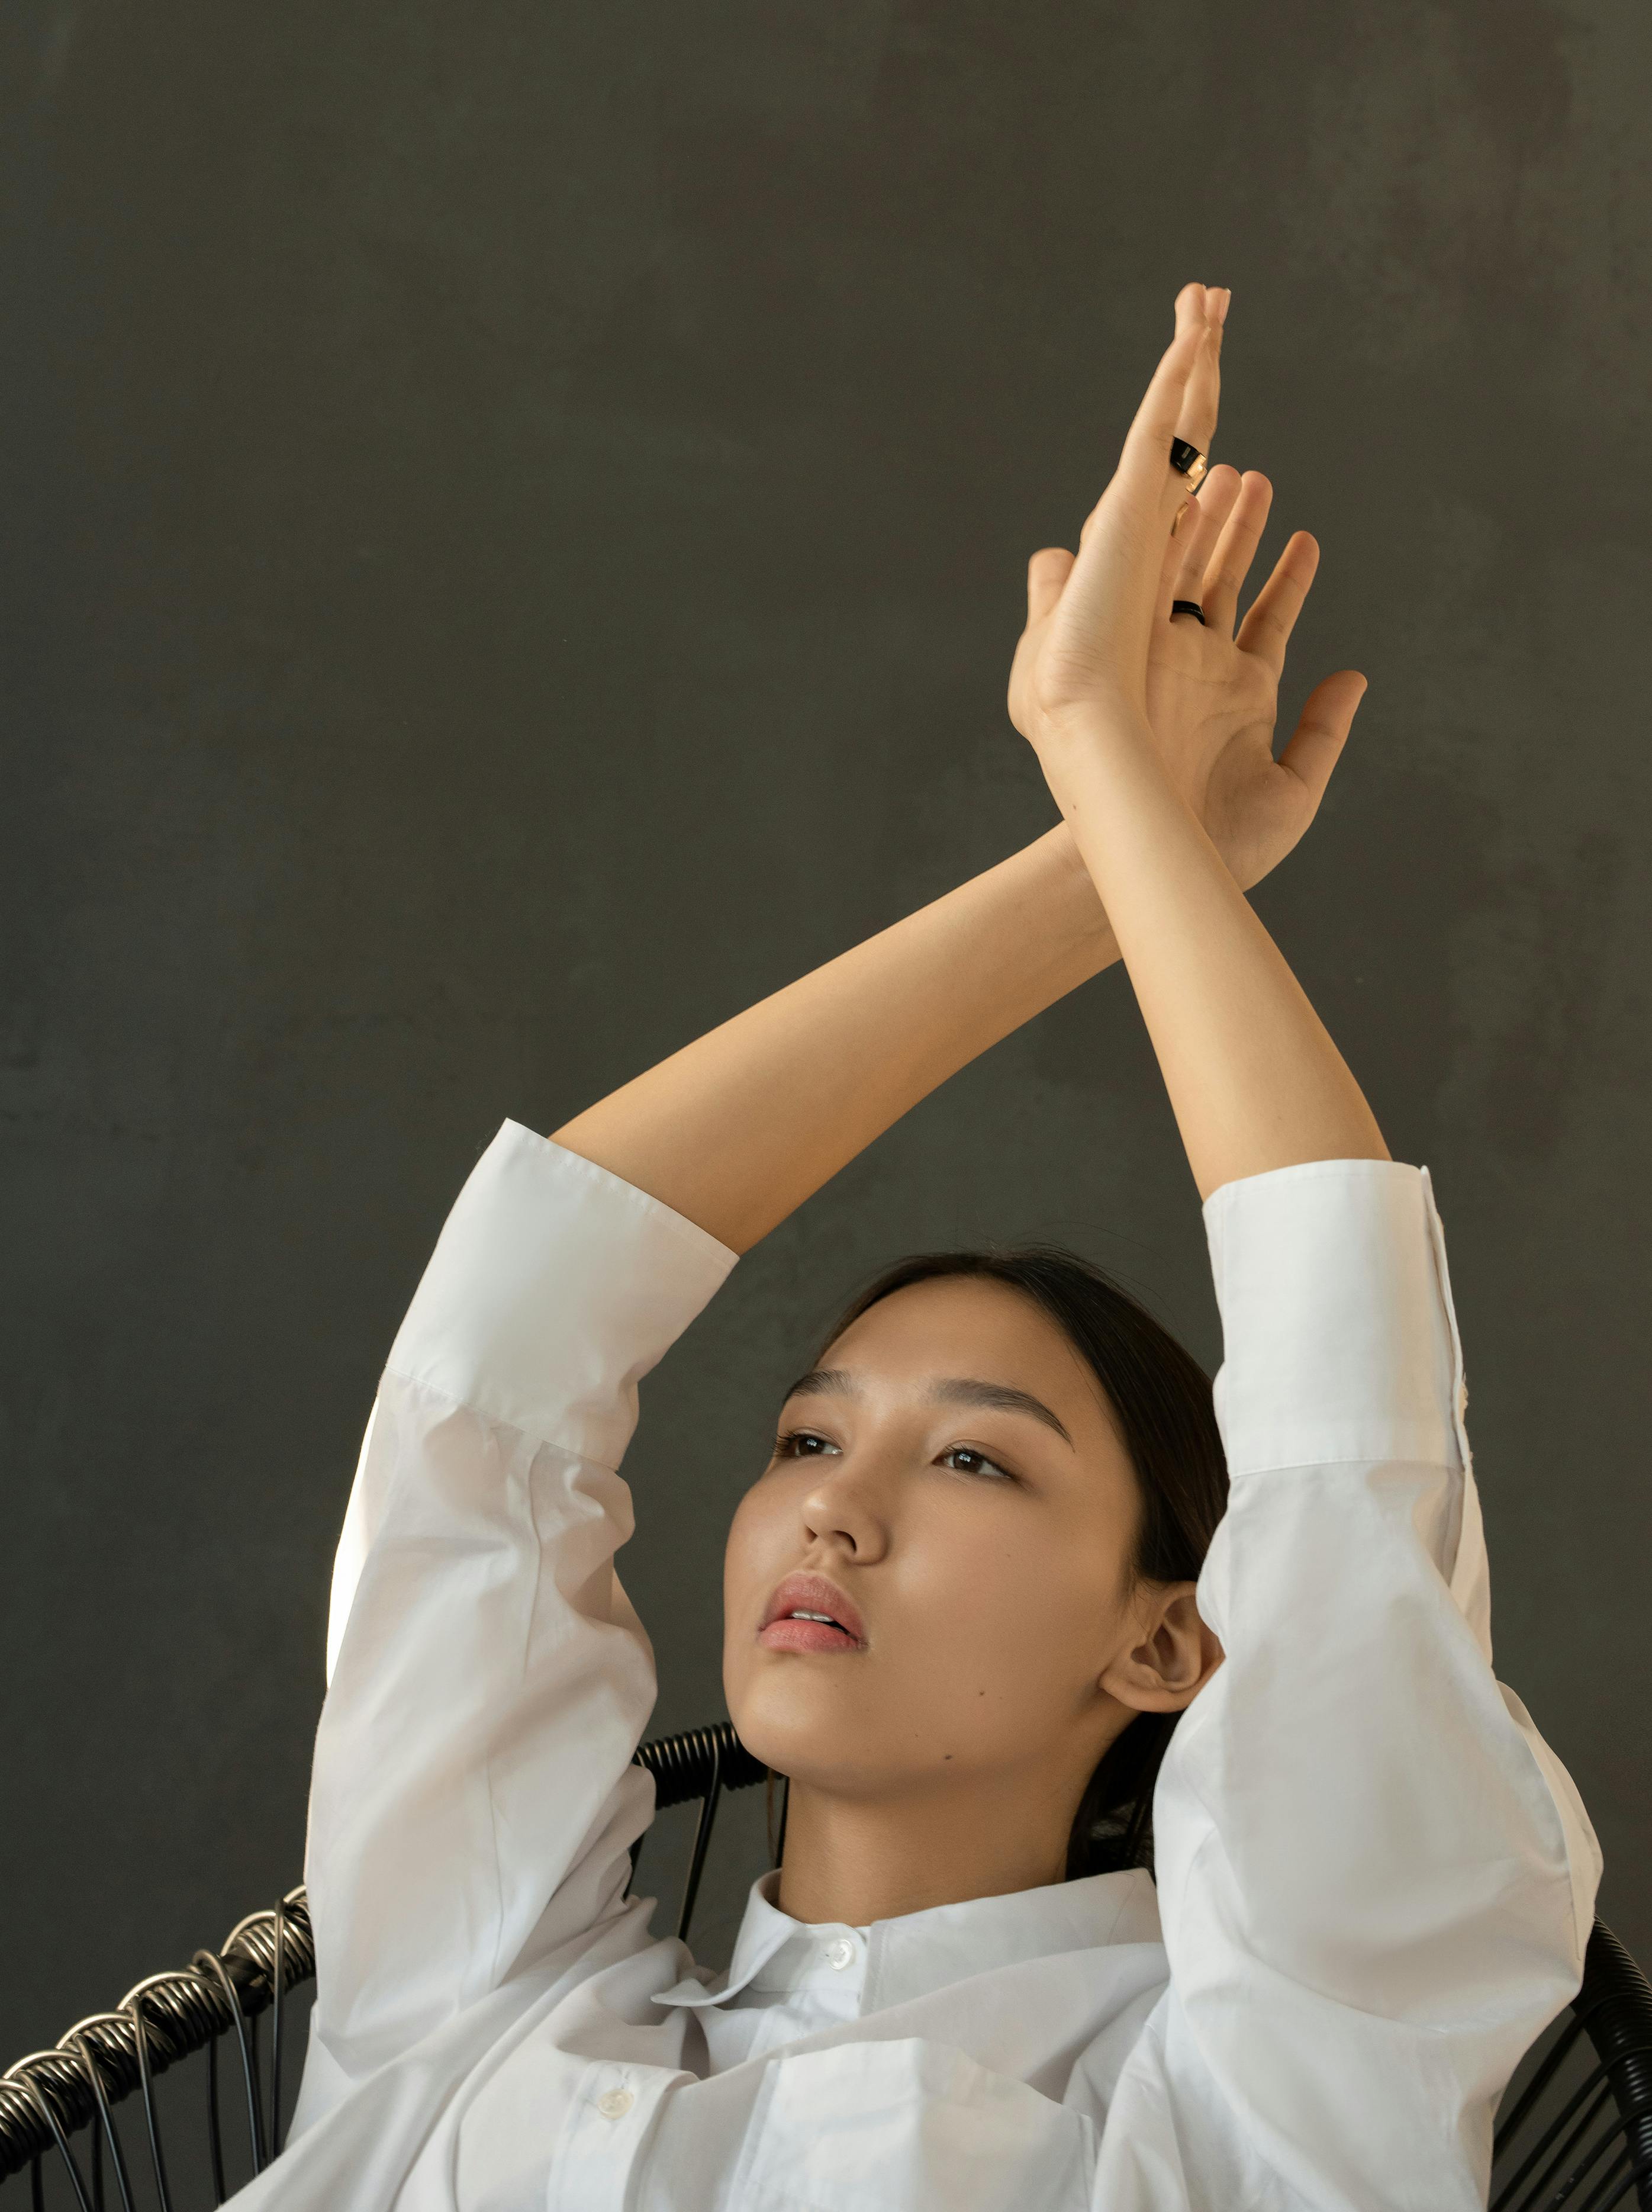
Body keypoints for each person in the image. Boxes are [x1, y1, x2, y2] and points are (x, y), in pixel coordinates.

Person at [238, 285, 1599, 2210]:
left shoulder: (1257, 2099)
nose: (831, 1514)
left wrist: (1101, 752)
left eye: (972, 1457)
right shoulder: (471, 2016)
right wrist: (1108, 865)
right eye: (808, 1438)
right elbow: (499, 1369)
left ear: (1170, 1639)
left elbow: (1353, 1478)